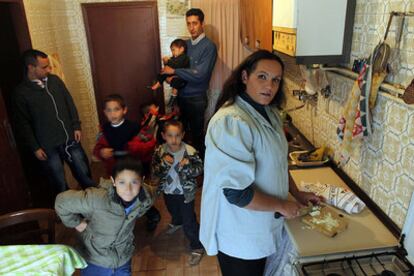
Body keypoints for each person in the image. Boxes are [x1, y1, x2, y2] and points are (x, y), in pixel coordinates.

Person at [199, 50, 322, 276]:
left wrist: (297, 194)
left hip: (261, 226)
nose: (270, 86)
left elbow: (278, 166)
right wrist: (282, 205)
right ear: (245, 77)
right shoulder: (232, 121)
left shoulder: (270, 113)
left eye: (276, 80)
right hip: (240, 234)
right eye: (262, 77)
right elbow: (237, 193)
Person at [12, 49, 94, 195]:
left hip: (69, 138)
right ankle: (70, 215)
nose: (49, 69)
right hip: (47, 146)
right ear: (31, 67)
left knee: (85, 175)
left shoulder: (55, 81)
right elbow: (23, 124)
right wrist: (35, 147)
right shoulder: (21, 93)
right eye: (44, 67)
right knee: (59, 184)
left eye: (49, 66)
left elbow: (69, 102)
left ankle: (96, 204)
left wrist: (76, 125)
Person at [55, 158, 153, 276]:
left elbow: (147, 202)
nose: (128, 189)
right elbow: (62, 202)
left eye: (134, 182)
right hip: (95, 258)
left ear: (142, 181)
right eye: (122, 182)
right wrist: (76, 223)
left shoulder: (146, 197)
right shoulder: (97, 199)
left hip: (123, 257)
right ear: (113, 181)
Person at [93, 94, 161, 232]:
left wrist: (134, 147)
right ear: (105, 112)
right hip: (116, 170)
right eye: (109, 110)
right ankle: (125, 218)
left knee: (139, 194)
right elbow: (97, 148)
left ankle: (152, 214)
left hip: (134, 168)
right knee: (120, 195)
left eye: (116, 109)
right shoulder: (104, 130)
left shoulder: (134, 128)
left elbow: (150, 143)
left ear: (124, 110)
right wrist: (101, 152)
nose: (113, 113)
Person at [162, 8, 217, 157]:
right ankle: (183, 164)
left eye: (195, 23)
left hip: (196, 99)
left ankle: (199, 169)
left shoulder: (209, 46)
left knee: (197, 136)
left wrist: (174, 72)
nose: (191, 27)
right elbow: (173, 65)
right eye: (188, 24)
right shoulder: (184, 45)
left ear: (202, 24)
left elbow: (200, 75)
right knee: (181, 133)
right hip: (181, 97)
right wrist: (168, 71)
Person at [151, 119, 204, 266]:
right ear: (163, 135)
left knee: (189, 221)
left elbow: (199, 169)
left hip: (185, 192)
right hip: (168, 191)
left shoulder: (190, 152)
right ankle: (178, 221)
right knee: (173, 210)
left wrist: (187, 166)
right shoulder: (160, 152)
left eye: (177, 135)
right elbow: (155, 173)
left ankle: (197, 245)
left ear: (183, 135)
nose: (174, 140)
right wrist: (164, 163)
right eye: (170, 135)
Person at [151, 39, 190, 108]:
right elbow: (169, 66)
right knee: (162, 73)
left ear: (181, 49)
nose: (172, 52)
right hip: (175, 74)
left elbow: (176, 65)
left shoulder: (184, 58)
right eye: (171, 50)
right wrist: (166, 63)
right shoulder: (175, 57)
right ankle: (159, 83)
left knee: (176, 82)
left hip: (181, 77)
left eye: (173, 50)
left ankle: (173, 98)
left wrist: (168, 61)